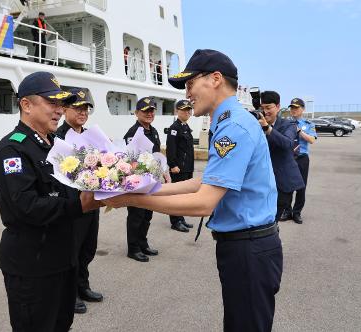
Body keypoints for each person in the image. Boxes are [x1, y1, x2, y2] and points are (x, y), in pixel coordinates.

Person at [104, 49, 283, 332]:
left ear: (215, 79)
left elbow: (204, 203)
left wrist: (131, 198)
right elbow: (205, 181)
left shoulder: (233, 126)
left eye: (190, 84)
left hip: (248, 248)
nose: (187, 94)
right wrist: (149, 187)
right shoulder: (230, 120)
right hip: (245, 246)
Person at [0, 71, 102, 332]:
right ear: (26, 105)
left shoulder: (54, 145)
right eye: (52, 103)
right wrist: (80, 205)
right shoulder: (12, 149)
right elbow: (27, 206)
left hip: (62, 258)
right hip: (33, 266)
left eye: (61, 104)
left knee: (61, 324)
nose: (60, 111)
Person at [55, 88, 103, 314]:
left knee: (88, 248)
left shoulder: (92, 135)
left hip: (92, 200)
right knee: (70, 252)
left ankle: (83, 286)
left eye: (86, 108)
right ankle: (69, 293)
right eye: (77, 108)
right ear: (64, 109)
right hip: (72, 204)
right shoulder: (58, 136)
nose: (83, 112)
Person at [123, 97, 161, 262]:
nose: (149, 114)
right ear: (137, 113)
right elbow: (129, 159)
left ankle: (143, 243)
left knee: (147, 215)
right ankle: (133, 248)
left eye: (152, 110)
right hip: (137, 182)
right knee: (136, 216)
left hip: (152, 181)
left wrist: (163, 173)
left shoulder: (153, 131)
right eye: (145, 111)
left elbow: (157, 155)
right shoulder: (133, 133)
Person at [258, 91, 305, 222]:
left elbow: (287, 143)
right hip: (262, 181)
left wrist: (267, 128)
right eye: (262, 108)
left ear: (278, 107)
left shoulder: (289, 125)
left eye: (268, 108)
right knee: (263, 220)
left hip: (281, 182)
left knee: (272, 219)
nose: (265, 111)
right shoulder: (256, 125)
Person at [280, 98, 317, 224]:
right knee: (287, 185)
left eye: (296, 108)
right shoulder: (285, 123)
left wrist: (299, 131)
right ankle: (287, 210)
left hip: (302, 158)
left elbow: (311, 140)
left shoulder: (308, 124)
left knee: (301, 186)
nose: (293, 110)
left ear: (303, 109)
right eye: (292, 108)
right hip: (288, 157)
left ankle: (297, 212)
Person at [166, 99, 195, 232]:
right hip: (178, 168)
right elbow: (171, 148)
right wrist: (172, 165)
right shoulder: (174, 128)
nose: (187, 112)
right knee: (176, 195)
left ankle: (181, 218)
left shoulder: (185, 127)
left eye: (188, 110)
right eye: (184, 110)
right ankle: (175, 221)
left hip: (187, 167)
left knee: (183, 195)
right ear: (177, 111)